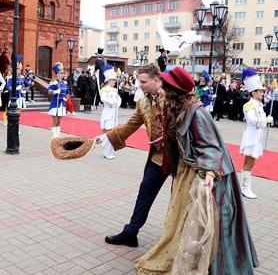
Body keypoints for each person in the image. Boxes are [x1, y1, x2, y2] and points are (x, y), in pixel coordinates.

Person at [135, 66, 259, 274]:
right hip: (190, 168)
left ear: (175, 91)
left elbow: (211, 146)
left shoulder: (196, 112)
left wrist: (209, 174)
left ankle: (218, 266)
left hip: (207, 173)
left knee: (209, 222)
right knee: (184, 219)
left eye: (165, 86)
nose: (161, 90)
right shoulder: (180, 107)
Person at [99, 63, 169, 247]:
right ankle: (131, 232)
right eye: (139, 81)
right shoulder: (143, 102)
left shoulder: (173, 97)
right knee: (145, 191)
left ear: (157, 79)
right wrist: (106, 137)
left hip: (182, 158)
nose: (140, 85)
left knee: (183, 198)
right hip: (159, 157)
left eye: (144, 81)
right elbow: (130, 125)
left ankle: (184, 238)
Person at [239, 69, 273, 199]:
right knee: (250, 162)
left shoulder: (258, 104)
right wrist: (266, 120)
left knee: (251, 162)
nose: (263, 93)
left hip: (256, 137)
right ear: (253, 92)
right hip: (251, 137)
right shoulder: (248, 105)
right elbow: (252, 120)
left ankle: (245, 186)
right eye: (261, 91)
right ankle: (245, 188)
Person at [99, 64, 121, 159]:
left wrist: (117, 103)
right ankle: (106, 152)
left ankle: (109, 151)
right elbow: (103, 98)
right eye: (113, 80)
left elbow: (119, 99)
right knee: (107, 132)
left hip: (114, 112)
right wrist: (111, 102)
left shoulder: (115, 90)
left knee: (112, 132)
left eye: (115, 80)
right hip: (108, 111)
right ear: (108, 80)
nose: (115, 81)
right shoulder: (104, 89)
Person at [48, 62, 69, 137]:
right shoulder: (54, 82)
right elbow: (49, 92)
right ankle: (54, 135)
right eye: (60, 73)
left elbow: (67, 92)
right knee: (55, 120)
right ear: (57, 74)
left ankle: (58, 134)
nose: (62, 74)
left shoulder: (65, 83)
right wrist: (55, 91)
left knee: (59, 120)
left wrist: (66, 98)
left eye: (62, 73)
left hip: (62, 104)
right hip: (55, 104)